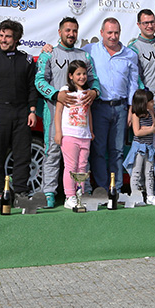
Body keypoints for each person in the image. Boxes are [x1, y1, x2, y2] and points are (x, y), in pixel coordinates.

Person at [35, 17, 101, 208]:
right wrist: (57, 95)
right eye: (67, 30)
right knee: (52, 152)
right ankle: (49, 192)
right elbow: (39, 81)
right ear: (60, 32)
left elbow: (95, 80)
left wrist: (94, 92)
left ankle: (83, 191)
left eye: (74, 31)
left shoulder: (84, 56)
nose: (71, 34)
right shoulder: (49, 54)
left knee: (82, 158)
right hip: (55, 112)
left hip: (79, 119)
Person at [0, 19, 39, 210]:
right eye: (1, 35)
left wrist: (32, 111)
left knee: (22, 156)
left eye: (8, 36)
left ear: (17, 38)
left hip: (21, 112)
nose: (3, 39)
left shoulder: (26, 60)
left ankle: (20, 192)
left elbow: (31, 88)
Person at [82, 17, 139, 190]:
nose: (113, 37)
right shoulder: (89, 50)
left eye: (116, 33)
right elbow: (69, 55)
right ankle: (102, 189)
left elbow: (133, 84)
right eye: (109, 33)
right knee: (98, 151)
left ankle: (117, 189)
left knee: (117, 152)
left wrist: (131, 109)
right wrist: (48, 49)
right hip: (99, 107)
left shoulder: (130, 55)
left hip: (121, 108)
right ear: (101, 33)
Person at [54, 61, 94, 209]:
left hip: (85, 135)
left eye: (84, 74)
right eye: (78, 74)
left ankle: (79, 195)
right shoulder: (65, 91)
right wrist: (58, 132)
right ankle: (69, 196)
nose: (82, 77)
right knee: (71, 166)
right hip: (70, 135)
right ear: (71, 76)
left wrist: (91, 130)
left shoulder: (87, 92)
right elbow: (58, 112)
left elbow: (88, 112)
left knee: (82, 166)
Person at [123, 89, 155, 205]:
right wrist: (149, 129)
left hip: (149, 148)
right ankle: (135, 195)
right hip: (139, 148)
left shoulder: (150, 113)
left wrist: (152, 115)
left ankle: (150, 195)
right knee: (136, 172)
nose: (153, 102)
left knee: (149, 172)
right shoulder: (135, 115)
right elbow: (137, 132)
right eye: (150, 101)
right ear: (144, 102)